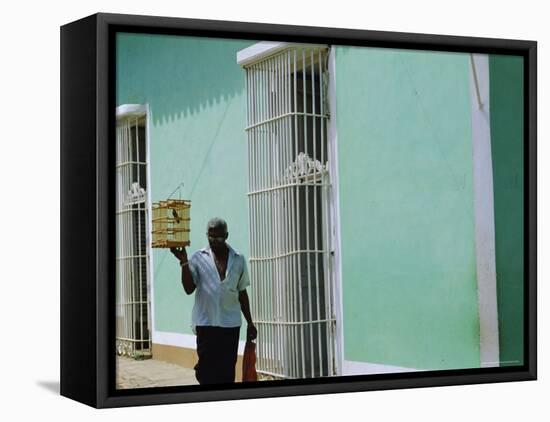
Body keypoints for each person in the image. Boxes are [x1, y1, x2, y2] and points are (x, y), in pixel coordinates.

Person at [170, 217, 257, 385]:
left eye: (219, 237)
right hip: (206, 324)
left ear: (226, 235)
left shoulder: (238, 259)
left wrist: (250, 323)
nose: (214, 241)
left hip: (230, 325)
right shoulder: (197, 258)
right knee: (206, 372)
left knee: (226, 371)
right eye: (211, 237)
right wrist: (183, 262)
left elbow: (242, 292)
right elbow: (189, 289)